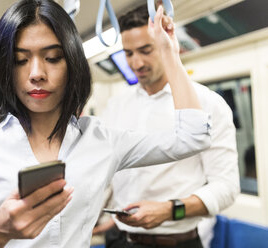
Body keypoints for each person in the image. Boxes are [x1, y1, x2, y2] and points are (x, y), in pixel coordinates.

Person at [0, 1, 211, 247]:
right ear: (5, 69)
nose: (36, 74)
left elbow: (193, 137)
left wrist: (169, 54)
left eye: (53, 58)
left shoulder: (102, 141)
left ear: (72, 64)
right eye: (21, 60)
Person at [99, 3, 239, 248]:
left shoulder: (207, 103)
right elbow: (109, 176)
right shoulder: (115, 107)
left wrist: (169, 210)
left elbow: (226, 187)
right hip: (120, 240)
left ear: (165, 45)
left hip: (175, 241)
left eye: (146, 50)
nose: (136, 62)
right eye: (129, 53)